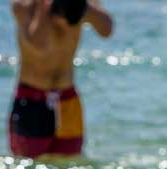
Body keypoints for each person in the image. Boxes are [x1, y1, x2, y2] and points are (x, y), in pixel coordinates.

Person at [9, 0, 114, 158]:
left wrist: (83, 7)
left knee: (70, 164)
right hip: (32, 98)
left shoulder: (79, 4)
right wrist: (44, 7)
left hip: (68, 98)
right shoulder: (25, 5)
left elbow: (107, 30)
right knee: (28, 165)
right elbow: (39, 45)